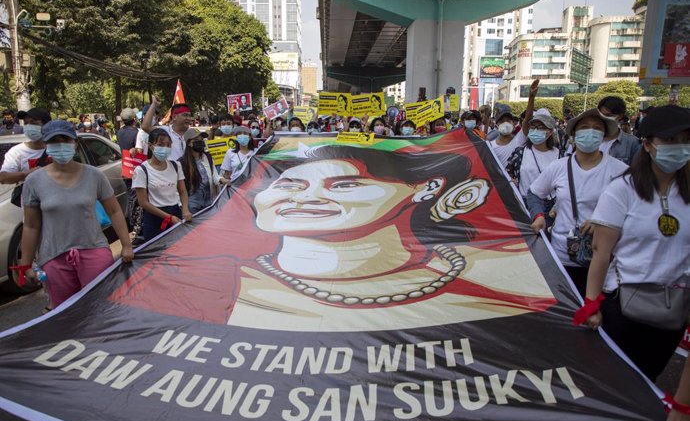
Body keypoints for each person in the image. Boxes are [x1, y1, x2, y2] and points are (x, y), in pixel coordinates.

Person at [114, 145, 554, 330]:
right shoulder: (202, 286)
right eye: (288, 184)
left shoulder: (503, 279)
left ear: (423, 189)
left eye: (343, 186)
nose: (309, 198)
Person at [576, 105, 690, 421]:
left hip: (673, 306)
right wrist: (592, 302)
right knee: (612, 380)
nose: (679, 148)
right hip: (622, 306)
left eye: (686, 140)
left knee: (648, 376)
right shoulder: (622, 190)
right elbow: (602, 253)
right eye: (670, 140)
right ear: (648, 145)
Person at [16, 120, 133, 311]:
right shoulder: (33, 181)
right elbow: (31, 225)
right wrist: (25, 264)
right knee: (66, 315)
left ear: (75, 144)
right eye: (54, 142)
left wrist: (126, 245)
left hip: (94, 252)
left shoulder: (95, 175)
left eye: (65, 140)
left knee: (102, 310)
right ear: (46, 145)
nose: (60, 146)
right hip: (54, 257)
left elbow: (114, 211)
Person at [527, 108, 628, 297]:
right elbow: (534, 193)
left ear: (604, 136)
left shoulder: (620, 171)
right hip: (561, 256)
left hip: (604, 260)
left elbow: (634, 211)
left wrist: (603, 222)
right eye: (584, 128)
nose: (590, 132)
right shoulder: (558, 167)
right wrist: (539, 216)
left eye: (597, 128)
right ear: (573, 134)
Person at [132, 128, 192, 242]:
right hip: (154, 218)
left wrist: (185, 209)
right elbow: (143, 202)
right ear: (150, 146)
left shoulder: (176, 165)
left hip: (176, 213)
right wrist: (168, 217)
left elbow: (183, 191)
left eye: (168, 145)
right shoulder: (141, 170)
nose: (165, 148)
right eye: (161, 144)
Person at [0, 108, 52, 186]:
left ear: (46, 125)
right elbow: (3, 178)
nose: (29, 127)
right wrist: (26, 174)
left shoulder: (58, 147)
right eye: (26, 123)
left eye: (33, 123)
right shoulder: (16, 151)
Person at [179, 128, 222, 214]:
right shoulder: (182, 163)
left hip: (209, 201)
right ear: (189, 143)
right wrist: (183, 208)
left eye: (201, 139)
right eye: (196, 140)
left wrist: (222, 180)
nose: (200, 142)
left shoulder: (208, 157)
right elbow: (180, 189)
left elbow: (215, 176)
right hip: (192, 204)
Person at [142, 96, 192, 160]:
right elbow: (145, 126)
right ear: (174, 117)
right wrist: (154, 104)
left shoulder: (193, 133)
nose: (188, 118)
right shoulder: (164, 131)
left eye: (189, 116)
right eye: (185, 115)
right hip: (170, 169)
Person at [597, 96, 642, 165]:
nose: (604, 118)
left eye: (608, 115)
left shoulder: (632, 143)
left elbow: (637, 171)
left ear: (620, 116)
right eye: (601, 115)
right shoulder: (589, 139)